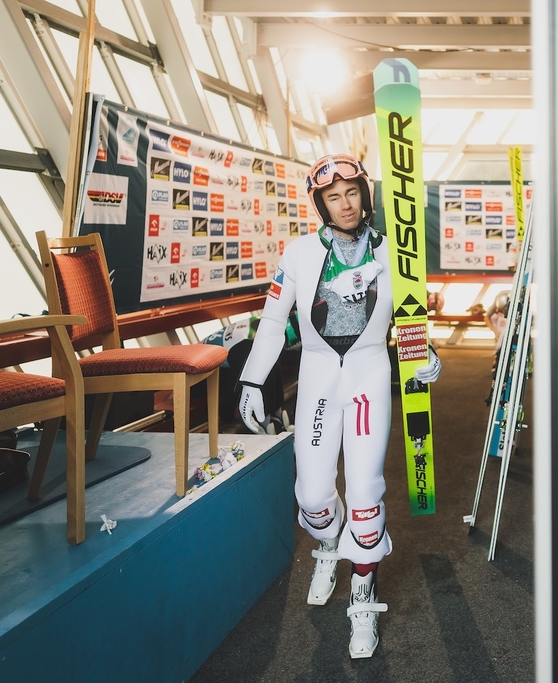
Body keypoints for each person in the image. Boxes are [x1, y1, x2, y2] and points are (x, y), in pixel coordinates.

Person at [236, 153, 442, 660]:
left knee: (366, 490)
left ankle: (363, 595)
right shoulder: (299, 253)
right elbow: (273, 321)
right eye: (333, 196)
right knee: (312, 497)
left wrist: (425, 355)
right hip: (319, 376)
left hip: (370, 374)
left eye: (352, 193)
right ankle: (330, 542)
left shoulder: (396, 252)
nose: (345, 204)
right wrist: (252, 379)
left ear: (364, 195)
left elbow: (410, 319)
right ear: (321, 203)